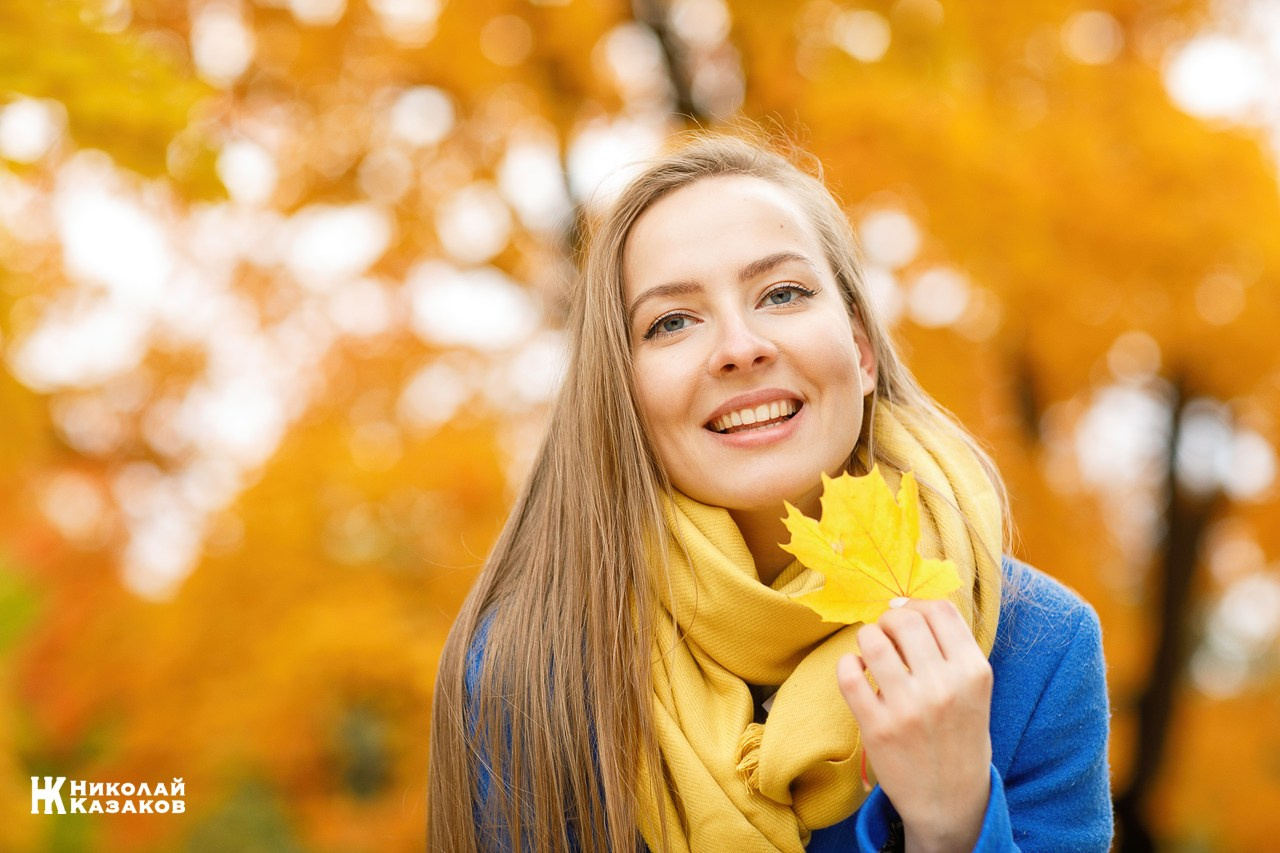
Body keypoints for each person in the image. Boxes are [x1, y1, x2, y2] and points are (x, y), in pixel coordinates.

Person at [427, 133, 1113, 852]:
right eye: (672, 321)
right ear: (623, 394)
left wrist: (952, 826)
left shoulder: (1039, 648)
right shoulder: (533, 668)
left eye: (782, 294)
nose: (740, 346)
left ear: (861, 350)